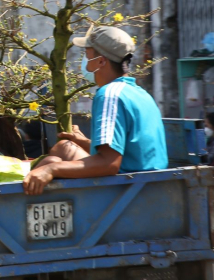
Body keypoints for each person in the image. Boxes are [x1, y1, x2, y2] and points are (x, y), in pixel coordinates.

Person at [24, 26, 168, 195]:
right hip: (145, 179)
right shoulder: (140, 93)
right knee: (64, 146)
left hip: (125, 187)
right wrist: (83, 141)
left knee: (50, 161)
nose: (85, 63)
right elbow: (127, 151)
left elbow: (109, 164)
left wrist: (52, 169)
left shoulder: (109, 94)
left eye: (87, 57)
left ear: (101, 61)